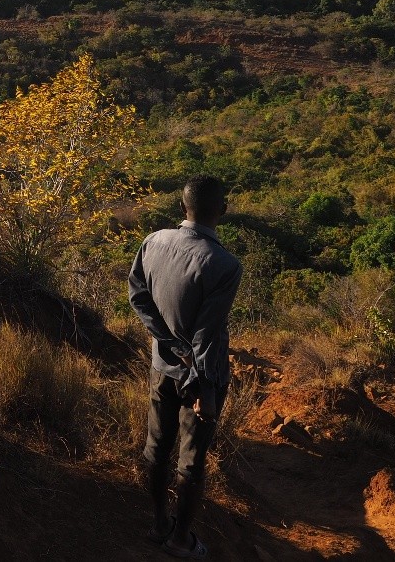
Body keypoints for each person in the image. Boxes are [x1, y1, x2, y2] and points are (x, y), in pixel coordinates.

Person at [128, 175, 242, 559]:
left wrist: (170, 344)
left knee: (157, 448)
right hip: (200, 376)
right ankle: (180, 539)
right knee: (192, 461)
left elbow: (138, 297)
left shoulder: (153, 241)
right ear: (222, 211)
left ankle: (158, 523)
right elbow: (207, 334)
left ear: (182, 208)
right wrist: (204, 389)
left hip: (163, 366)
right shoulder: (225, 264)